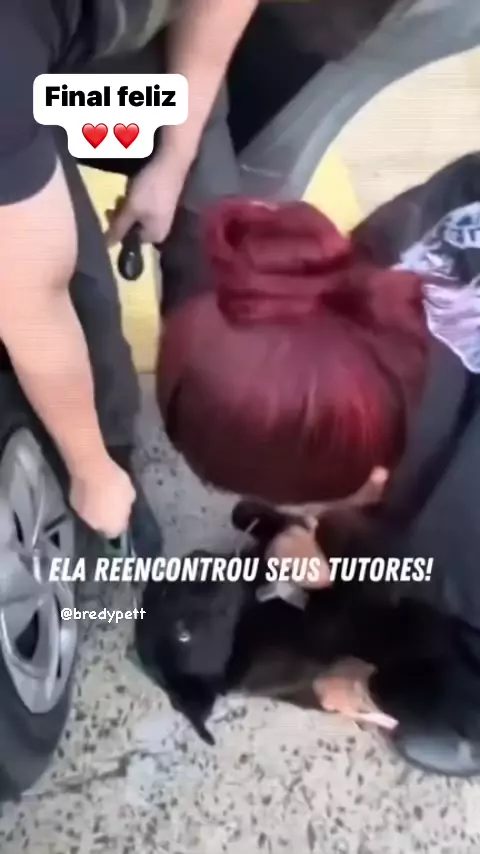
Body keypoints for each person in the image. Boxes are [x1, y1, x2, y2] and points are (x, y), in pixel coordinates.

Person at [156, 187, 480, 775]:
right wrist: (322, 534)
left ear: (376, 476)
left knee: (439, 733)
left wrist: (366, 691)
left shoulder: (463, 552)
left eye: (303, 500)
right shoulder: (375, 253)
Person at [0, 0, 257, 549]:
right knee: (82, 297)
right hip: (15, 84)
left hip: (68, 52)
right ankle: (109, 467)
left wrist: (172, 162)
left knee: (209, 212)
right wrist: (91, 467)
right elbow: (32, 304)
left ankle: (212, 411)